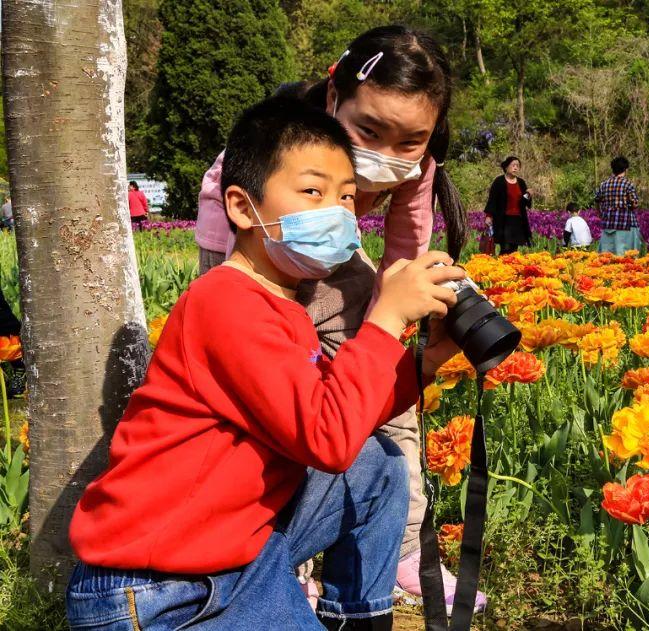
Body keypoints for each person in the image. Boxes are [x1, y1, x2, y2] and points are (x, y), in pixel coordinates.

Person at [66, 97, 469, 631]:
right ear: (240, 206)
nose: (338, 212)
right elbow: (325, 439)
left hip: (238, 552)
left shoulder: (283, 303)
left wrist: (425, 362)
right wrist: (385, 320)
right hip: (157, 589)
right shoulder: (224, 302)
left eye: (348, 197)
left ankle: (357, 618)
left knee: (378, 464)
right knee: (356, 455)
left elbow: (335, 411)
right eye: (312, 191)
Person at [191, 26, 483, 611]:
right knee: (275, 398)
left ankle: (404, 551)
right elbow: (233, 268)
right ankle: (283, 558)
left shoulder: (417, 167)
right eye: (369, 131)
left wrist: (402, 311)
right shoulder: (279, 139)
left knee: (382, 384)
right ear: (333, 97)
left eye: (412, 141)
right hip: (261, 242)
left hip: (337, 248)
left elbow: (405, 249)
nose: (387, 155)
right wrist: (258, 298)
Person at [483, 156, 533, 255]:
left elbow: (524, 203)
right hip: (503, 220)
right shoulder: (499, 181)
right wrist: (489, 216)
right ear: (506, 167)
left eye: (518, 166)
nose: (516, 168)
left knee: (514, 250)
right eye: (513, 165)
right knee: (505, 248)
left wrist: (528, 195)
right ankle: (503, 268)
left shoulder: (521, 183)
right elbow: (492, 200)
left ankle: (512, 269)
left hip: (518, 221)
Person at [594, 156, 641, 255]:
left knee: (607, 256)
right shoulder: (627, 184)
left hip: (608, 224)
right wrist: (632, 205)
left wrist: (600, 213)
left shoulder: (604, 184)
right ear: (625, 169)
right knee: (625, 256)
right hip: (625, 224)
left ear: (613, 169)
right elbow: (634, 203)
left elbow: (597, 200)